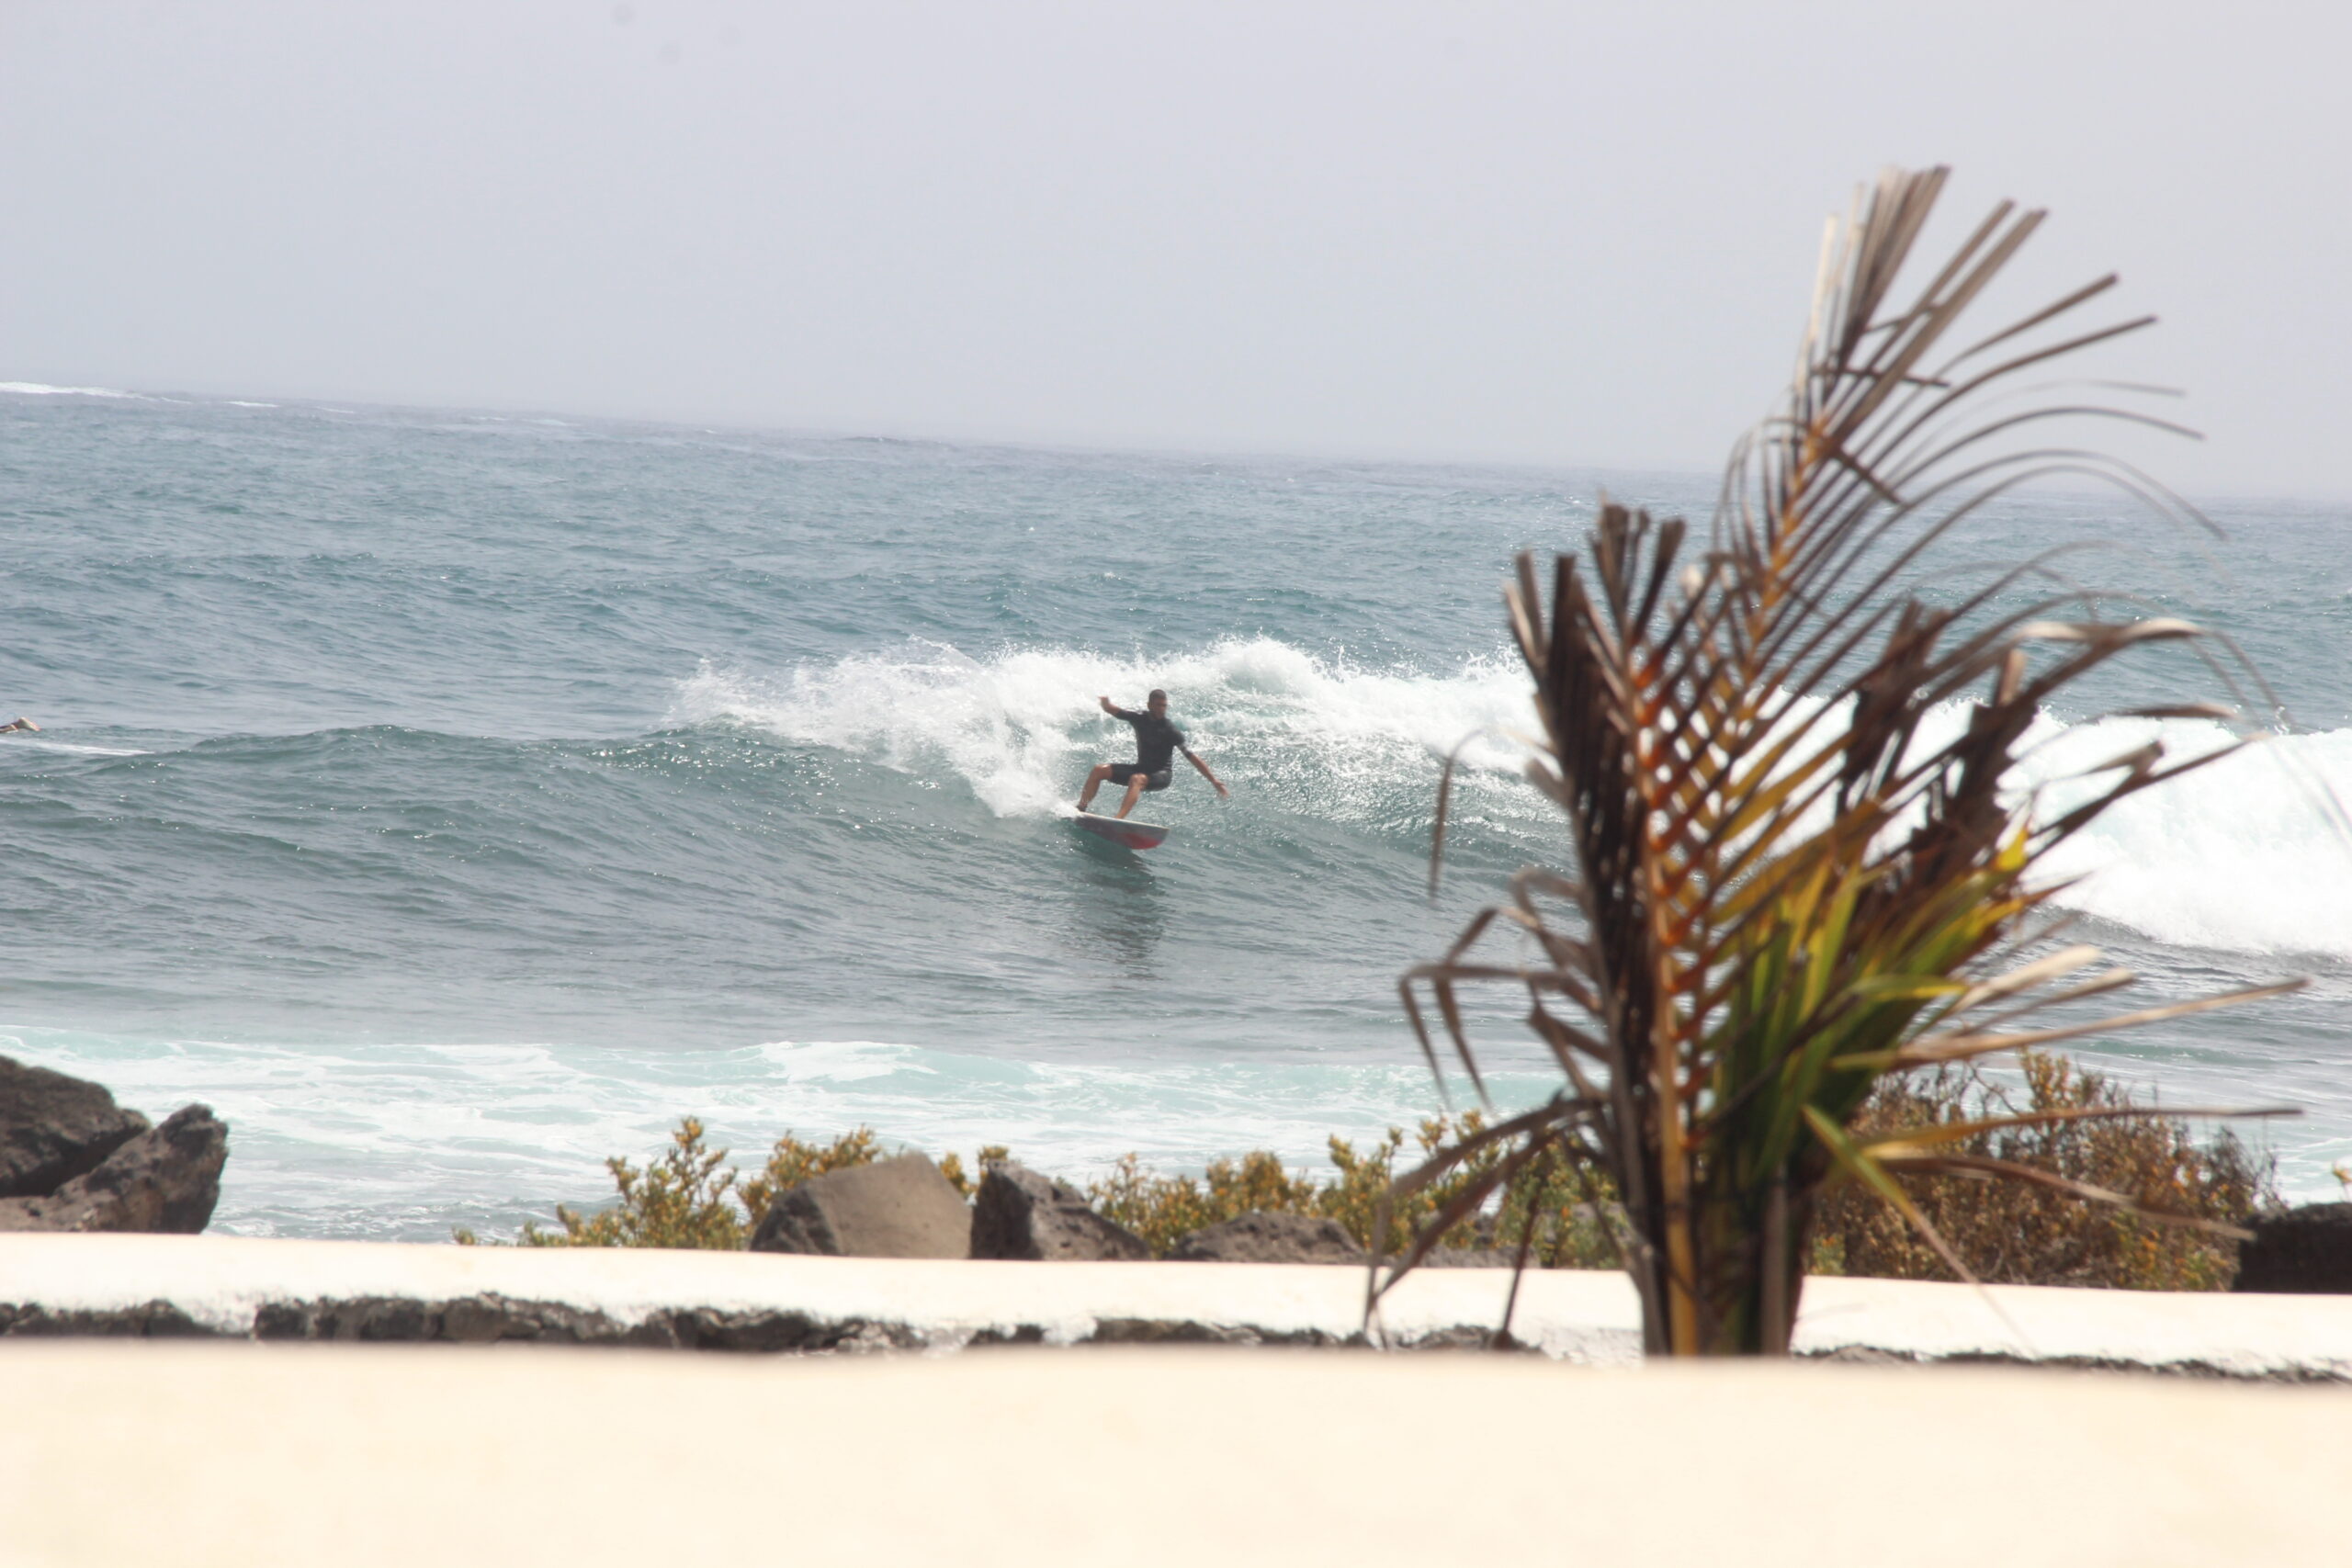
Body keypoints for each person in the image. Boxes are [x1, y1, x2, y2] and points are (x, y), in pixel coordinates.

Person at [1078, 689, 1227, 819]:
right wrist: (1105, 703)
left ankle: (1118, 819)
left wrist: (1213, 780)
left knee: (1136, 779)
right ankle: (1081, 808)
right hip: (1141, 768)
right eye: (1158, 705)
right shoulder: (1139, 718)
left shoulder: (1170, 729)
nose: (1162, 709)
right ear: (1149, 705)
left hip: (1161, 775)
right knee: (1099, 770)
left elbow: (1191, 757)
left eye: (1164, 706)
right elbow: (1114, 711)